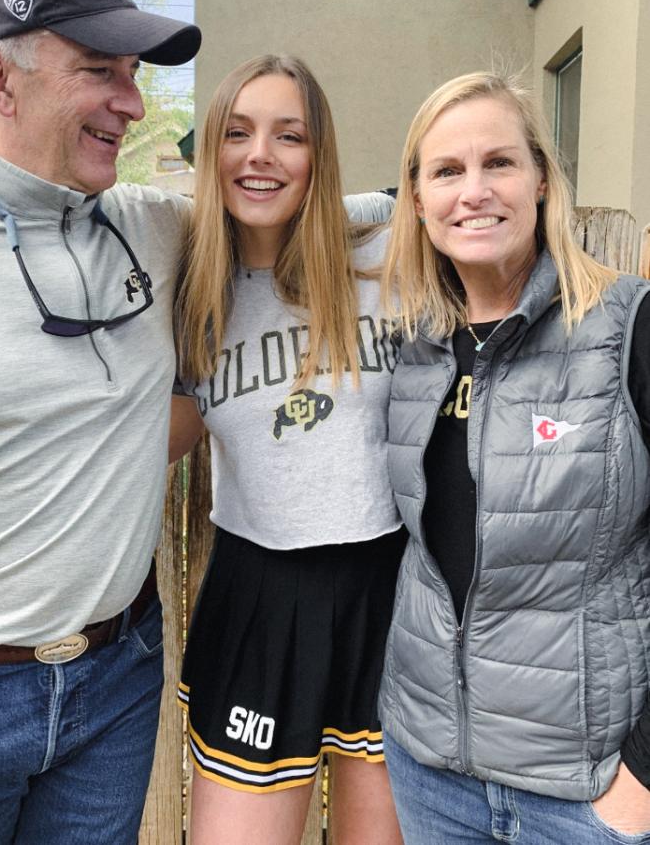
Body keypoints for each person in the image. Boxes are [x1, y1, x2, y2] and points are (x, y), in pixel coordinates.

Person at [0, 0, 201, 845]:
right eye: (100, 73)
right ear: (0, 78)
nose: (135, 104)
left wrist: (443, 204)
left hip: (116, 681)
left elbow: (301, 209)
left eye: (134, 76)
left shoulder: (154, 226)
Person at [378, 70, 650, 844]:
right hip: (432, 774)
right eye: (447, 171)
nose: (474, 191)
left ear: (540, 181)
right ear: (419, 199)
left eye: (498, 163)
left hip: (586, 793)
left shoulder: (627, 330)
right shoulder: (413, 348)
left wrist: (639, 789)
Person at [169, 54, 404, 845]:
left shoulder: (384, 262)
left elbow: (452, 194)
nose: (259, 154)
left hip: (392, 589)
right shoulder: (191, 293)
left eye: (289, 135)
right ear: (212, 152)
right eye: (237, 133)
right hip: (261, 593)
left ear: (319, 156)